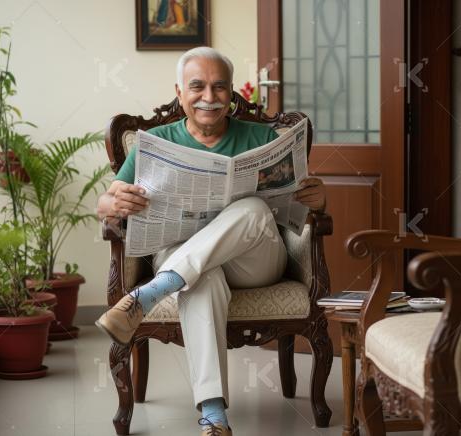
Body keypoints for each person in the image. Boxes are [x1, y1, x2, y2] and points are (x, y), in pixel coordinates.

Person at [95, 46, 326, 436]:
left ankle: (153, 291)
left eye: (219, 87)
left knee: (252, 208)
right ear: (180, 91)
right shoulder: (154, 142)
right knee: (200, 279)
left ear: (232, 92)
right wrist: (111, 202)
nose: (209, 97)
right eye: (197, 86)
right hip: (187, 258)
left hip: (255, 262)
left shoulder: (262, 137)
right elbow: (104, 202)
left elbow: (298, 205)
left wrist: (319, 199)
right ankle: (214, 416)